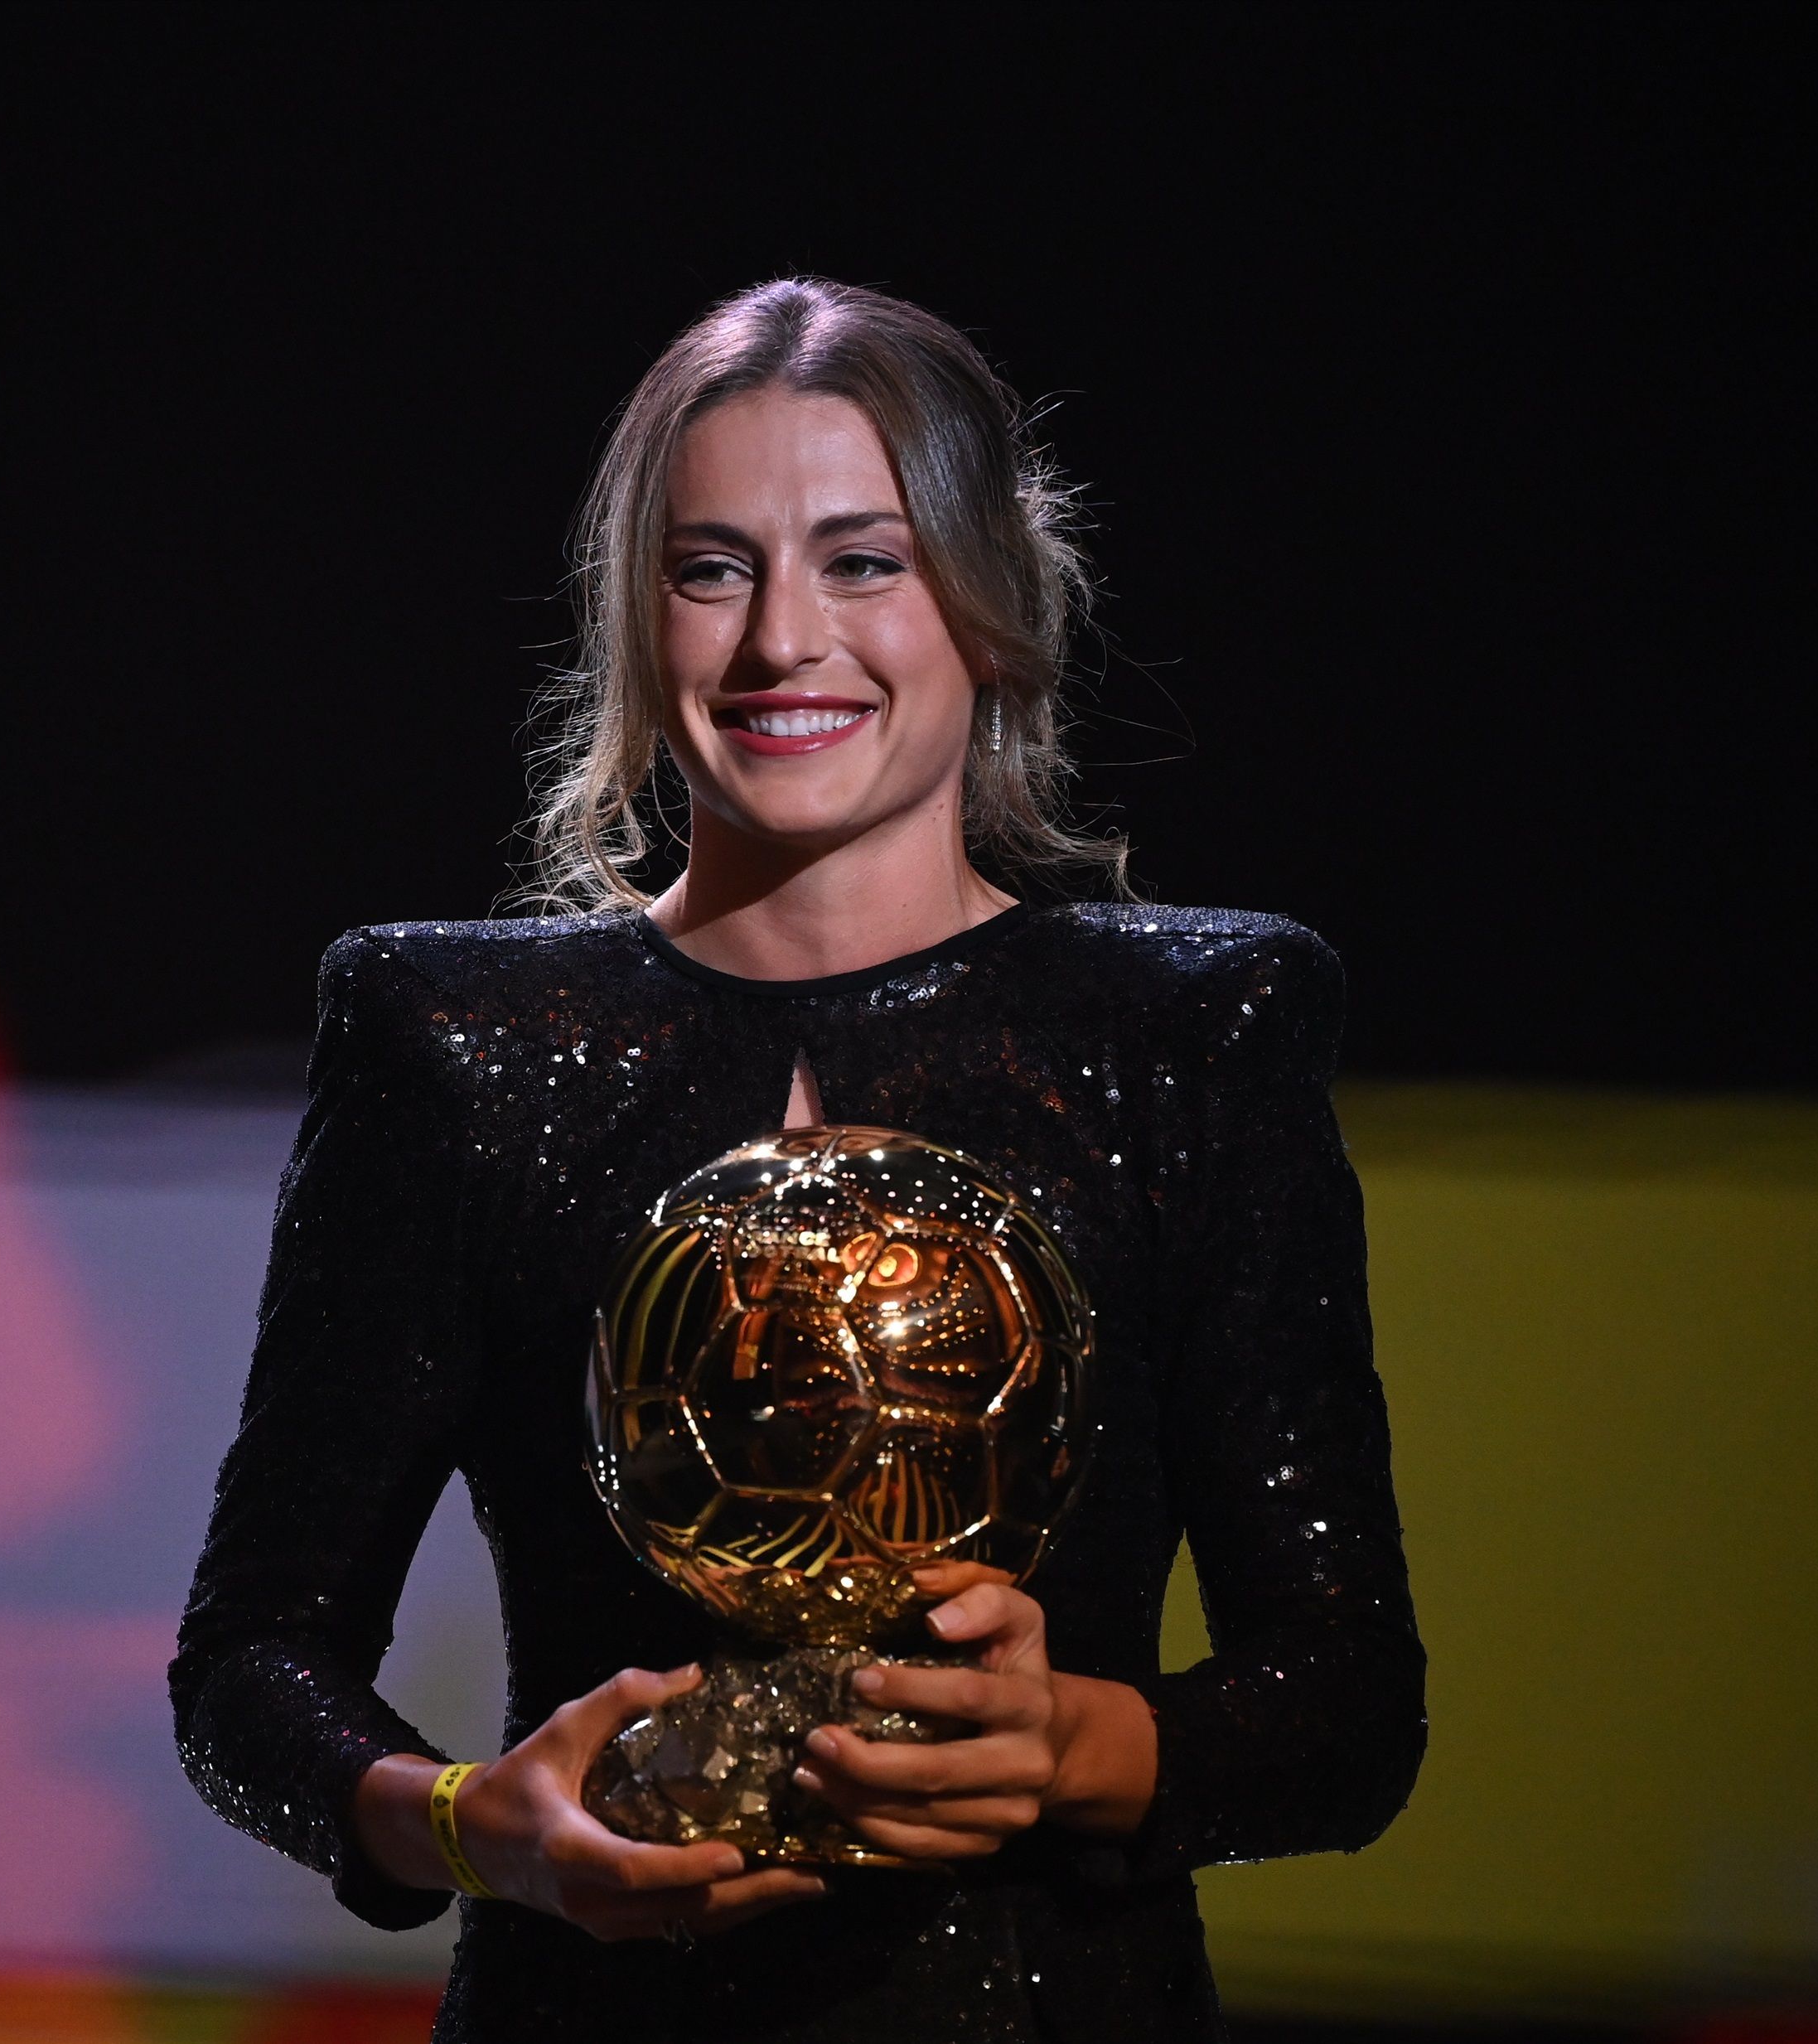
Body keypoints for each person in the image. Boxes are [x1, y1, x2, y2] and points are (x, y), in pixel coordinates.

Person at [169, 278, 1424, 2042]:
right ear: (632, 618)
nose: (779, 643)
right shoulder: (455, 1045)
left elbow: (1349, 1710)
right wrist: (472, 1827)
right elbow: (246, 1667)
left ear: (986, 602)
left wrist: (1082, 1745)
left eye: (861, 560)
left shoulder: (1187, 1030)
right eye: (709, 569)